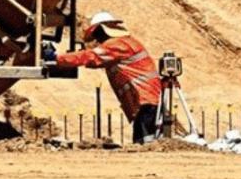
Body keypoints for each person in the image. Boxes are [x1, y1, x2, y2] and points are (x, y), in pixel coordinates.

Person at [52, 11, 162, 144]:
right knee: (142, 138)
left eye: (97, 34)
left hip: (144, 98)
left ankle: (149, 159)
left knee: (146, 140)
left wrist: (56, 58)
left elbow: (90, 57)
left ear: (103, 30)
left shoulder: (117, 44)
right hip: (144, 98)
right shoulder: (126, 43)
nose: (97, 40)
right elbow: (94, 61)